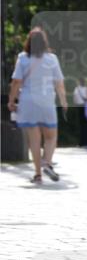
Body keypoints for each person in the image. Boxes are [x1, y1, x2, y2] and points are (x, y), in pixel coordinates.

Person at [7, 27, 68, 184]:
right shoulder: (52, 59)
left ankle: (38, 175)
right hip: (47, 101)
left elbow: (16, 82)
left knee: (34, 140)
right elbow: (59, 83)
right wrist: (63, 100)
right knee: (51, 136)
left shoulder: (22, 58)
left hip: (28, 102)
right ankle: (47, 162)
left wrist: (11, 100)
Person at [72, 77, 87, 147]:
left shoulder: (76, 89)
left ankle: (81, 142)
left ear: (79, 82)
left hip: (80, 107)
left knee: (81, 125)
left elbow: (74, 99)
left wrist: (75, 105)